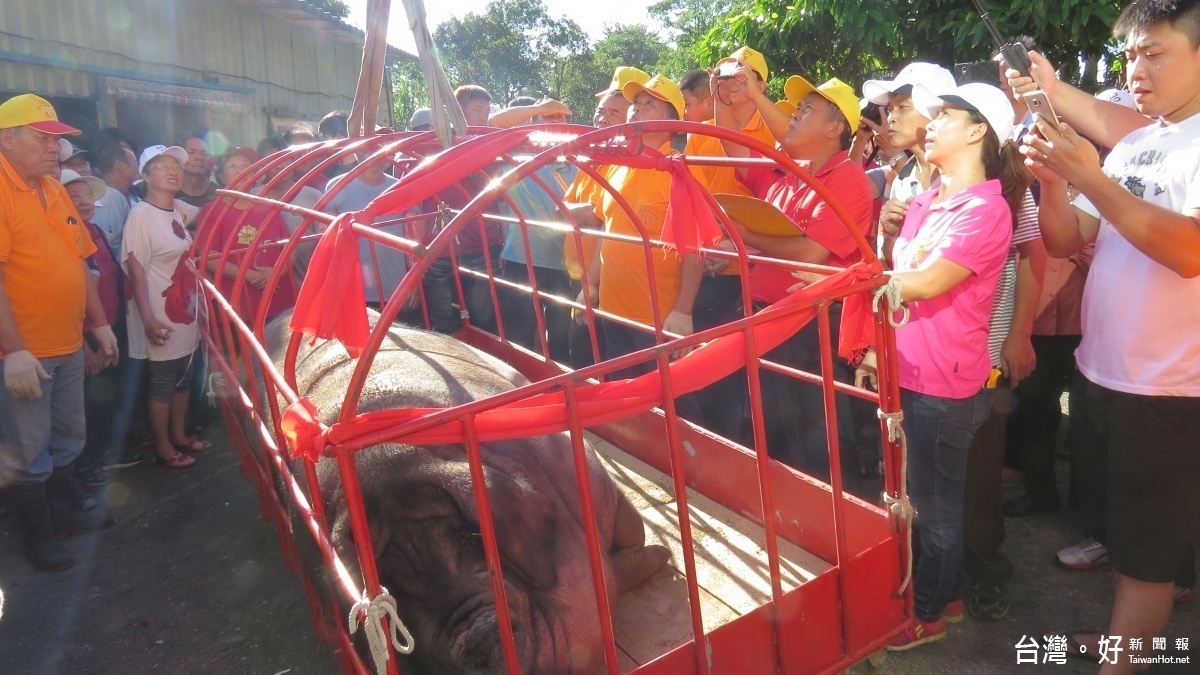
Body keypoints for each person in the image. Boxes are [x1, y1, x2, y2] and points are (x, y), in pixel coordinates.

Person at [1011, 0, 1200, 665]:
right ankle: (1131, 634)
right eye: (1129, 55)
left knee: (1149, 553)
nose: (1135, 69)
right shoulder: (1140, 142)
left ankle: (1128, 653)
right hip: (1101, 373)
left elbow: (1190, 252)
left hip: (1168, 389)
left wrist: (1086, 171)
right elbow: (1067, 240)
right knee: (1124, 531)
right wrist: (1054, 182)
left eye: (1155, 53)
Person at [877, 82, 1024, 651]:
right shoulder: (926, 199)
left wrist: (848, 283)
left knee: (936, 511)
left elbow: (928, 281)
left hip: (943, 384)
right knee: (923, 501)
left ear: (979, 130)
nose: (930, 124)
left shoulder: (986, 209)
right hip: (909, 370)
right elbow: (903, 271)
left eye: (945, 116)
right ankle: (950, 593)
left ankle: (929, 613)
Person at [716, 70, 872, 488]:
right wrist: (724, 99)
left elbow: (810, 251)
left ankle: (839, 519)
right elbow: (733, 149)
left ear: (835, 128)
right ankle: (791, 515)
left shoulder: (848, 179)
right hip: (769, 316)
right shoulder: (785, 172)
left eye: (807, 109)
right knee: (776, 425)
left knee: (819, 433)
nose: (796, 114)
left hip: (811, 324)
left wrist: (750, 237)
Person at [0, 93, 119, 571]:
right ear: (6, 139)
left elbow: (80, 264)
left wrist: (101, 326)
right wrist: (14, 352)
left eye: (57, 139)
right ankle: (38, 536)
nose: (55, 148)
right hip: (26, 351)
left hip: (68, 343)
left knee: (69, 434)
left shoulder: (52, 188)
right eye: (42, 137)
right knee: (28, 449)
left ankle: (65, 507)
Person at [571, 74, 705, 381]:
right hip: (613, 309)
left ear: (671, 121)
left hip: (656, 317)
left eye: (649, 104)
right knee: (625, 393)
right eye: (635, 103)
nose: (636, 109)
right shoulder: (620, 165)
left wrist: (683, 312)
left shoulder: (679, 169)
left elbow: (694, 247)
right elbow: (607, 232)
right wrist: (589, 288)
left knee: (674, 400)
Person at [121, 145, 209, 469]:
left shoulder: (177, 210)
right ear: (144, 176)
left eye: (176, 165)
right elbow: (137, 271)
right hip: (159, 314)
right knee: (161, 381)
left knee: (183, 378)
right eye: (162, 166)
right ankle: (162, 447)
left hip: (184, 311)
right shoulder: (140, 216)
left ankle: (180, 436)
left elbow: (208, 213)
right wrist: (148, 319)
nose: (173, 171)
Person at [496, 97, 578, 362]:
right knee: (519, 333)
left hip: (564, 262)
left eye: (560, 117)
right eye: (548, 116)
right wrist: (539, 108)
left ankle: (560, 394)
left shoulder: (576, 162)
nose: (555, 121)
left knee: (561, 334)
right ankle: (520, 390)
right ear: (534, 122)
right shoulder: (517, 155)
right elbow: (493, 123)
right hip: (523, 259)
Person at [61, 169, 125, 486]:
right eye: (74, 196)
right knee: (83, 405)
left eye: (87, 195)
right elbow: (65, 295)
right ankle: (82, 465)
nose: (84, 202)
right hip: (83, 334)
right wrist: (84, 346)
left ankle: (100, 458)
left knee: (104, 398)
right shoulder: (61, 238)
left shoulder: (95, 231)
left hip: (109, 328)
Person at [90, 141, 139, 253]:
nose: (139, 167)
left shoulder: (136, 198)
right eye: (136, 162)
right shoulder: (97, 204)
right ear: (120, 165)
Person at [176, 132, 218, 209]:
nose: (199, 157)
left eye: (204, 153)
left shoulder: (218, 193)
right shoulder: (172, 193)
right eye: (192, 152)